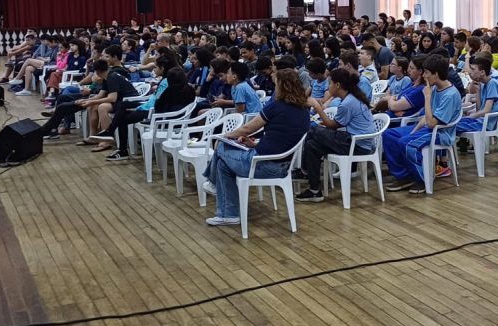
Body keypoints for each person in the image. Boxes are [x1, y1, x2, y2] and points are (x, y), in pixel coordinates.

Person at [203, 68, 312, 226]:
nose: (275, 88)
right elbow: (281, 138)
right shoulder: (303, 111)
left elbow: (248, 128)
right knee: (222, 164)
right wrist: (254, 144)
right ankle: (227, 213)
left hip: (261, 164)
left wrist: (224, 136)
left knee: (220, 147)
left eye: (276, 84)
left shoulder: (276, 105)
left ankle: (214, 186)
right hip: (284, 166)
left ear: (281, 85)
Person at [295, 69, 378, 203]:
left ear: (337, 85)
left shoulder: (348, 102)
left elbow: (332, 125)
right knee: (312, 146)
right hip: (353, 141)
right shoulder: (352, 97)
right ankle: (315, 191)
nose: (328, 87)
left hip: (358, 145)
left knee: (313, 130)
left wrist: (317, 107)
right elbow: (335, 125)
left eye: (330, 84)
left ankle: (304, 171)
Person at [383, 55, 462, 194]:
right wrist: (414, 130)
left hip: (441, 133)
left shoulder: (449, 95)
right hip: (429, 128)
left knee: (406, 143)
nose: (424, 76)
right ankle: (404, 176)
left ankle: (422, 179)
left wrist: (426, 97)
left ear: (436, 74)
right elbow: (426, 118)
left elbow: (432, 123)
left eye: (426, 72)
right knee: (389, 135)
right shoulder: (435, 88)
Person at [88, 60, 194, 161]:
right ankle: (111, 134)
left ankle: (121, 148)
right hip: (175, 118)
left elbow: (159, 106)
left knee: (122, 118)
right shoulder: (190, 90)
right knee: (123, 107)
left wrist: (143, 107)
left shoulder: (170, 91)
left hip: (158, 118)